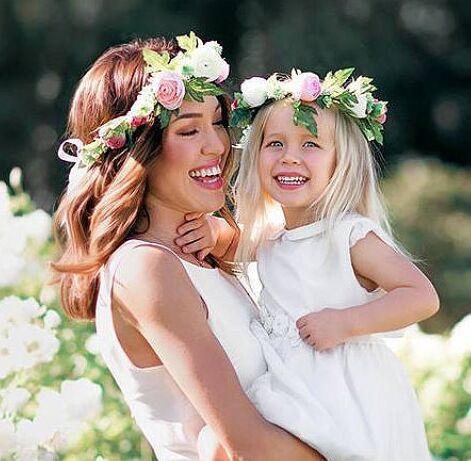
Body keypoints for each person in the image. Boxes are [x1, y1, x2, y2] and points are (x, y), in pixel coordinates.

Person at [51, 34, 327, 461]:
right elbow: (247, 448)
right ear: (137, 151)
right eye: (188, 129)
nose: (216, 145)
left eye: (217, 121)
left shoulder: (197, 254)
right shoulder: (146, 268)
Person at [179, 69, 439, 460]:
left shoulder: (348, 236)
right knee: (223, 440)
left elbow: (421, 297)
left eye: (310, 144)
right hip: (293, 385)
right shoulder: (271, 234)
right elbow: (239, 241)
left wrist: (346, 322)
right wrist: (214, 234)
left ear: (341, 162)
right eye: (276, 143)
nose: (290, 157)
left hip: (347, 393)